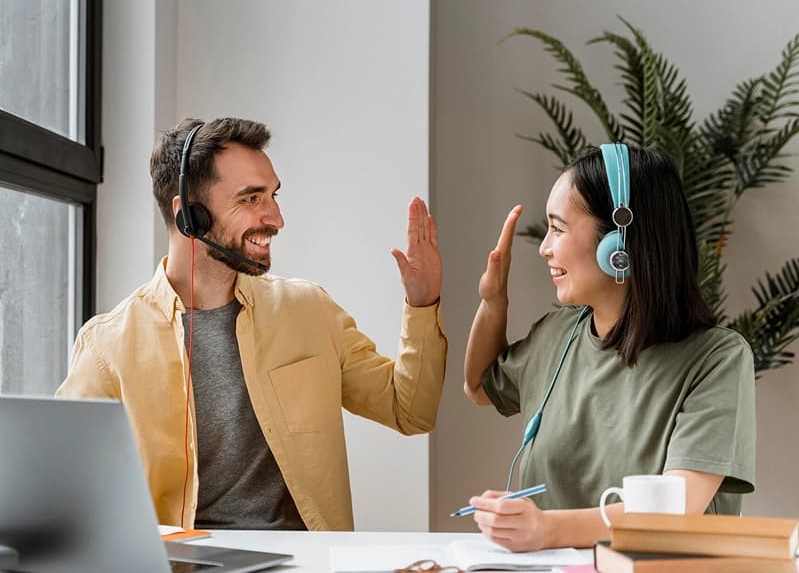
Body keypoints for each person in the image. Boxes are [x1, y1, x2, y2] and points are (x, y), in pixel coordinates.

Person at [56, 117, 447, 532]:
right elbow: (64, 489)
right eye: (251, 199)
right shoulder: (108, 347)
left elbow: (411, 412)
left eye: (273, 196)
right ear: (189, 214)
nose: (276, 218)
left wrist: (423, 303)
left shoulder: (308, 310)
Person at [462, 144, 756, 551]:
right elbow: (479, 387)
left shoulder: (717, 359)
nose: (545, 247)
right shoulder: (557, 335)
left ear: (618, 243)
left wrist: (546, 528)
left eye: (558, 228)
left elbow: (679, 508)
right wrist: (494, 302)